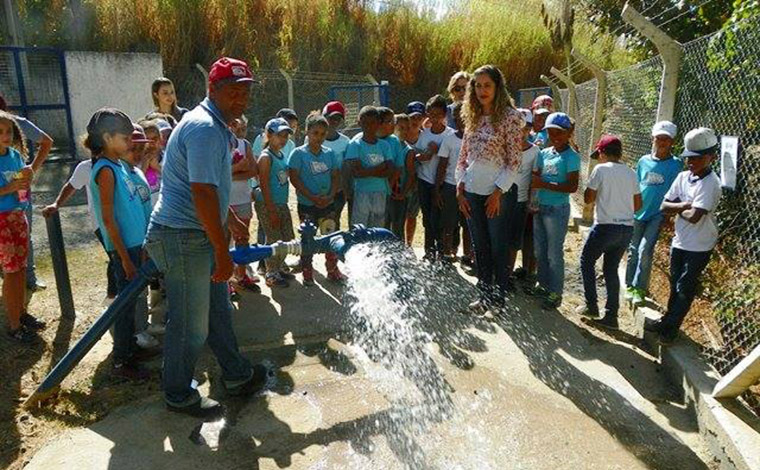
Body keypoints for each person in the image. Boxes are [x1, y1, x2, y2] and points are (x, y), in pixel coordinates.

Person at [145, 57, 268, 418]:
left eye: (245, 92)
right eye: (234, 91)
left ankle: (235, 375)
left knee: (217, 312)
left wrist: (228, 219)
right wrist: (222, 248)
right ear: (212, 89)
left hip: (197, 232)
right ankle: (178, 393)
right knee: (189, 324)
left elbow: (207, 186)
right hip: (184, 237)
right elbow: (200, 191)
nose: (241, 99)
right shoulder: (203, 128)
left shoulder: (215, 126)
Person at [86, 108, 158, 380]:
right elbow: (108, 218)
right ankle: (121, 360)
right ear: (107, 137)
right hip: (123, 249)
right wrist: (125, 259)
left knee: (133, 301)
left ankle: (130, 349)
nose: (130, 142)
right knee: (125, 306)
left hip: (136, 246)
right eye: (125, 137)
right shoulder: (105, 170)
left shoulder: (120, 166)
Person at [456, 65, 523, 314]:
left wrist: (497, 192)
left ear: (497, 88)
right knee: (480, 248)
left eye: (487, 85)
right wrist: (460, 190)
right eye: (478, 85)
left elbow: (514, 160)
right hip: (472, 191)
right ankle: (483, 297)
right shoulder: (472, 116)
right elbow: (463, 156)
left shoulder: (510, 117)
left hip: (498, 194)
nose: (482, 90)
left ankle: (498, 301)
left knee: (498, 248)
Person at [645, 127, 722, 344]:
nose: (692, 162)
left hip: (699, 244)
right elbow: (663, 205)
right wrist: (683, 205)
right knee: (675, 283)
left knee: (684, 287)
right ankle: (667, 321)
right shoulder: (683, 177)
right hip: (680, 241)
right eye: (689, 158)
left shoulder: (711, 183)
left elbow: (695, 216)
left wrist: (678, 207)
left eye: (698, 159)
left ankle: (670, 329)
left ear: (711, 158)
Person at [578, 135, 641, 329]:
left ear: (603, 153)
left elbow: (588, 198)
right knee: (610, 269)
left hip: (605, 226)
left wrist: (597, 193)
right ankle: (611, 316)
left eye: (600, 155)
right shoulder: (631, 173)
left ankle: (591, 306)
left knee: (586, 261)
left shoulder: (600, 169)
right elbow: (638, 205)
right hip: (626, 228)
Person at [0, 94, 53, 294]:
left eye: (8, 131)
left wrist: (31, 169)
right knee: (10, 264)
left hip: (18, 201)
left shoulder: (16, 124)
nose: (6, 135)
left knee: (22, 245)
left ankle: (27, 280)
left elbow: (46, 141)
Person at [625, 121, 682, 306]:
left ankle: (640, 288)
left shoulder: (676, 165)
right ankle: (629, 285)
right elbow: (637, 184)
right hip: (638, 211)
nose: (662, 142)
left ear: (672, 141)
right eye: (659, 138)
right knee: (633, 250)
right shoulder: (644, 161)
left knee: (645, 250)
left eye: (666, 139)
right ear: (653, 139)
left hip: (658, 214)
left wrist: (668, 216)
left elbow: (677, 191)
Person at [530, 112, 580, 309]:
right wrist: (533, 202)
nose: (554, 136)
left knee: (553, 252)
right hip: (540, 207)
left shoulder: (572, 157)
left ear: (568, 133)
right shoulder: (544, 153)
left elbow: (571, 186)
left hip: (557, 209)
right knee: (539, 250)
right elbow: (535, 179)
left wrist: (544, 183)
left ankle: (555, 292)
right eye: (550, 132)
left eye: (559, 132)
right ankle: (543, 285)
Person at [289, 112, 344, 285]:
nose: (319, 137)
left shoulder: (329, 154)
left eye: (322, 134)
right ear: (307, 132)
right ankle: (307, 272)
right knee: (308, 240)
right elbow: (295, 178)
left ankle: (332, 269)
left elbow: (336, 176)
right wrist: (312, 196)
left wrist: (330, 195)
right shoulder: (298, 154)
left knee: (330, 236)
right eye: (315, 133)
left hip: (327, 203)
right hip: (307, 204)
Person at [121, 124, 163, 347]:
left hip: (145, 237)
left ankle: (143, 325)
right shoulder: (119, 172)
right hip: (131, 240)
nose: (137, 154)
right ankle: (136, 333)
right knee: (135, 289)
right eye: (132, 149)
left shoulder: (136, 171)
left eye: (141, 148)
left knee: (143, 285)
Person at [0, 111, 40, 342]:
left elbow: (21, 186)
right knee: (11, 272)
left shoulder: (15, 156)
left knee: (21, 269)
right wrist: (11, 187)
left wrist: (26, 179)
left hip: (17, 215)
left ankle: (22, 313)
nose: (5, 136)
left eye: (8, 131)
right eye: (0, 132)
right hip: (1, 219)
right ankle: (14, 325)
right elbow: (9, 187)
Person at [254, 118, 296, 288]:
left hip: (281, 203)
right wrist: (271, 210)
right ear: (269, 135)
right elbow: (263, 184)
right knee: (273, 238)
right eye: (280, 135)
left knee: (287, 237)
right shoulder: (266, 157)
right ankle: (271, 273)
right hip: (268, 204)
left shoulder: (281, 155)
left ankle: (278, 268)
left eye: (286, 135)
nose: (283, 139)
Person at [415, 95, 454, 260]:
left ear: (445, 115)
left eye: (438, 115)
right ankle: (429, 251)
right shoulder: (424, 134)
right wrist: (422, 156)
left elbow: (453, 158)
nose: (434, 118)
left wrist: (438, 149)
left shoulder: (450, 135)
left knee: (441, 219)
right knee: (427, 217)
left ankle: (443, 251)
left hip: (444, 183)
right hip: (425, 180)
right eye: (431, 114)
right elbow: (417, 153)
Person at [506, 109, 539, 285]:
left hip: (520, 201)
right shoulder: (503, 146)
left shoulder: (534, 152)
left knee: (514, 240)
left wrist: (531, 202)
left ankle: (508, 273)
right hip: (501, 198)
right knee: (499, 237)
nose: (521, 132)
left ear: (529, 129)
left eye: (525, 128)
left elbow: (534, 179)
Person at [346, 106, 394, 227]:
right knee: (360, 228)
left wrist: (367, 171)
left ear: (378, 123)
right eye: (365, 123)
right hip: (361, 192)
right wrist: (379, 168)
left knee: (378, 227)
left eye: (373, 122)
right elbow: (357, 173)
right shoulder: (355, 144)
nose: (369, 126)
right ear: (359, 123)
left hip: (381, 191)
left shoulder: (384, 145)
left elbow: (390, 170)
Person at [228, 115, 260, 293]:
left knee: (243, 238)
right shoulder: (221, 144)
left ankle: (241, 275)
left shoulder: (245, 145)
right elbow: (217, 174)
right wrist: (239, 169)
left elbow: (252, 171)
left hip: (243, 199)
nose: (239, 132)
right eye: (235, 128)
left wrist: (232, 174)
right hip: (226, 202)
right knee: (225, 242)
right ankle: (226, 281)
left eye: (242, 129)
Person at [435, 102, 464, 261]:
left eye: (465, 116)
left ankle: (468, 254)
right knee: (449, 221)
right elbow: (442, 165)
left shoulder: (476, 138)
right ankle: (447, 251)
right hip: (450, 185)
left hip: (471, 187)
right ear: (454, 118)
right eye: (458, 117)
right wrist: (437, 190)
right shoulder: (449, 139)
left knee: (468, 223)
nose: (462, 120)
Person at [320, 101, 351, 227]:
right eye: (331, 118)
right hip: (319, 188)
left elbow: (346, 167)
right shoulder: (314, 138)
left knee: (333, 221)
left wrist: (344, 187)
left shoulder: (345, 141)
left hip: (338, 189)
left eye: (338, 118)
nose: (334, 121)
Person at [387, 113, 416, 240]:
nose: (404, 131)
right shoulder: (387, 145)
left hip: (399, 195)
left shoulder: (408, 150)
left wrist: (403, 193)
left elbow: (411, 174)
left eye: (407, 128)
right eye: (401, 128)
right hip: (386, 192)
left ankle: (399, 255)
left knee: (398, 227)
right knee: (385, 225)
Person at [404, 101, 425, 245]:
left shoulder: (426, 136)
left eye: (419, 117)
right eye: (413, 117)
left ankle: (409, 244)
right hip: (400, 182)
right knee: (398, 216)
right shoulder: (399, 136)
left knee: (412, 216)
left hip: (418, 183)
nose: (416, 121)